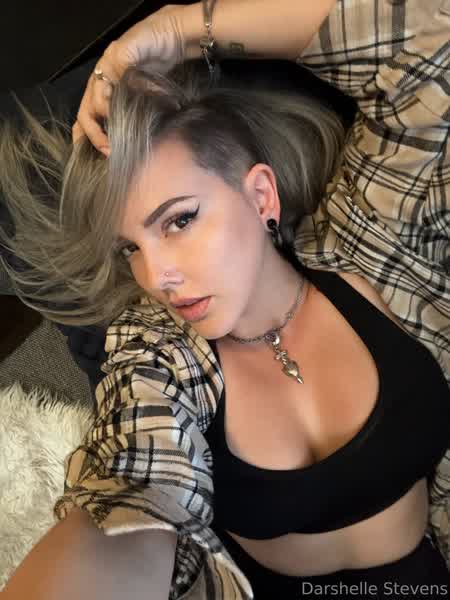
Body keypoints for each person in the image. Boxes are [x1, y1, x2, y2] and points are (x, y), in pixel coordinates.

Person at [1, 1, 449, 599]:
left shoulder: (365, 244)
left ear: (261, 194)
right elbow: (129, 492)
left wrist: (175, 28)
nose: (156, 276)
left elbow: (429, 38)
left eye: (180, 220)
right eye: (129, 248)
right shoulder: (156, 358)